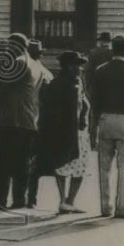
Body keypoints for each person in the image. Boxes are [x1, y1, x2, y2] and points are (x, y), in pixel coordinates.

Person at [30, 51, 91, 213]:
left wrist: (84, 114)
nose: (80, 69)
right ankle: (66, 200)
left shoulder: (72, 82)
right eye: (77, 65)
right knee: (70, 166)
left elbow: (84, 103)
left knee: (71, 167)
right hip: (69, 131)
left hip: (74, 131)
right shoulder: (64, 84)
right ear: (69, 67)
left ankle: (66, 201)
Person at [93, 34, 124, 219]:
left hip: (105, 119)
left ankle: (105, 207)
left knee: (104, 168)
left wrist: (97, 120)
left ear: (112, 49)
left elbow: (95, 99)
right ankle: (122, 208)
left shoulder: (100, 70)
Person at [0, 33, 42, 209]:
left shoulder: (20, 63)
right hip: (28, 118)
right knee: (22, 162)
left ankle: (1, 199)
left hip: (12, 119)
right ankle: (19, 199)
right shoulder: (35, 65)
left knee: (4, 163)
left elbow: (0, 83)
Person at [84, 32, 113, 149]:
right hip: (110, 89)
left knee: (94, 116)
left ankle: (93, 141)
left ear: (101, 41)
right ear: (109, 42)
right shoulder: (113, 53)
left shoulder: (93, 53)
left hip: (96, 88)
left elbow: (88, 72)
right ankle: (108, 142)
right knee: (109, 115)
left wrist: (89, 87)